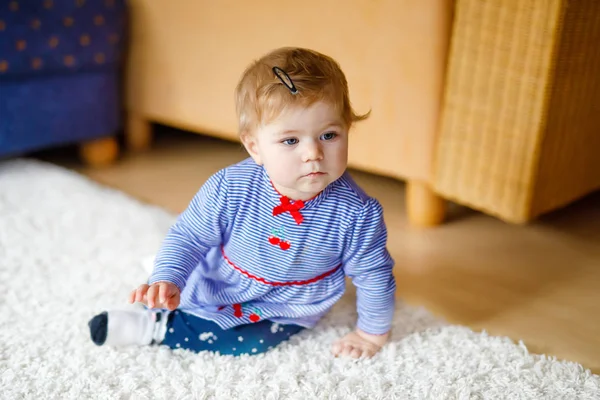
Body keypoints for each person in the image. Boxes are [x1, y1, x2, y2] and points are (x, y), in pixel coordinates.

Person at [89, 47, 396, 358]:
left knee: (250, 343)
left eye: (329, 135)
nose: (313, 153)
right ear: (254, 148)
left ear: (347, 130)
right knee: (174, 279)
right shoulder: (230, 188)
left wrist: (371, 334)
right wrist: (168, 277)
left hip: (288, 303)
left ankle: (156, 329)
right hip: (223, 275)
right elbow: (189, 236)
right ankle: (156, 298)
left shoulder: (358, 214)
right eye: (290, 140)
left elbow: (375, 275)